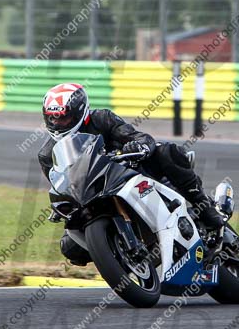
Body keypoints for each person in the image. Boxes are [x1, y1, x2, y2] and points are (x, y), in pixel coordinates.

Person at [37, 82, 225, 266]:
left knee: (166, 152)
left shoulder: (101, 119)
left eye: (63, 117)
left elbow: (138, 137)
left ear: (80, 112)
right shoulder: (47, 155)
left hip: (130, 172)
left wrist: (138, 145)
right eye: (52, 118)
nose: (57, 123)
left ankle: (206, 208)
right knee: (70, 248)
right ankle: (118, 254)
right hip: (92, 193)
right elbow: (60, 184)